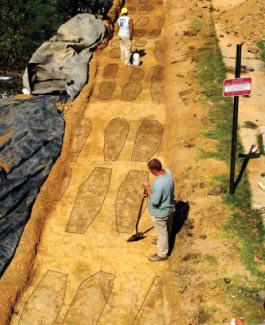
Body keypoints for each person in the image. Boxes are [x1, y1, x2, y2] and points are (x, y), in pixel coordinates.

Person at [143, 159, 175, 262]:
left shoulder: (160, 184)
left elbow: (155, 202)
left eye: (150, 170)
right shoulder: (168, 173)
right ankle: (163, 241)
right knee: (166, 230)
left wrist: (148, 188)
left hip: (160, 213)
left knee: (162, 232)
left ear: (153, 170)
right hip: (169, 207)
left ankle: (162, 254)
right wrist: (149, 192)